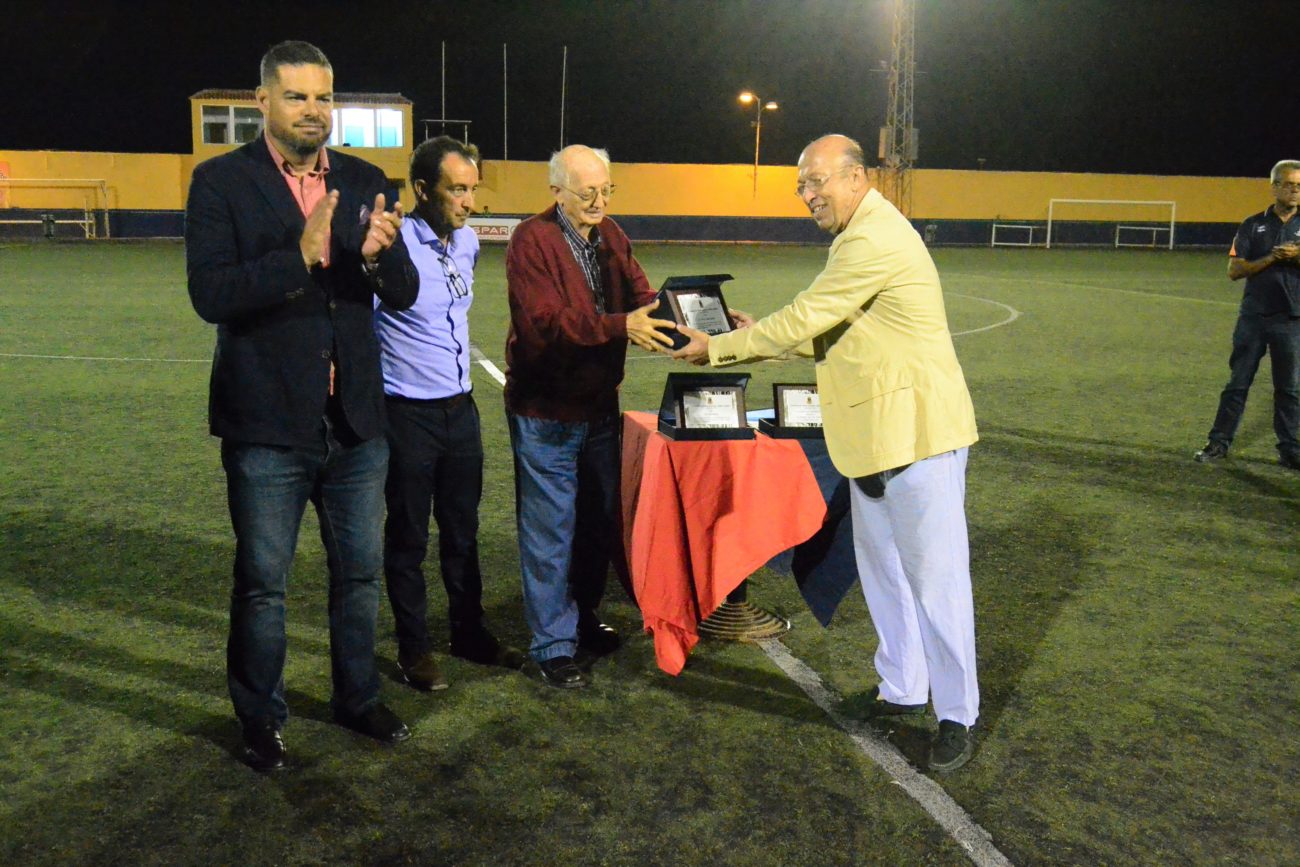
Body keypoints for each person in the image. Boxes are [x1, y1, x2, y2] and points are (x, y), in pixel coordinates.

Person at [672, 134, 982, 773]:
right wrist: (758, 335)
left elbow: (811, 313)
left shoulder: (874, 236)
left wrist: (719, 349)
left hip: (919, 438)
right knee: (886, 577)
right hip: (874, 439)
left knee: (937, 585)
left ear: (858, 177)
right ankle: (902, 689)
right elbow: (831, 329)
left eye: (817, 181)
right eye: (801, 185)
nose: (807, 194)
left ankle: (958, 715)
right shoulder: (858, 236)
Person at [186, 40, 419, 772]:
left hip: (356, 422)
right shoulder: (219, 182)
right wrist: (300, 256)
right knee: (264, 585)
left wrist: (377, 257)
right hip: (267, 425)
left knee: (360, 574)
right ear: (263, 102)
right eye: (296, 96)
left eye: (323, 97)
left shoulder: (364, 179)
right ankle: (261, 718)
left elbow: (404, 291)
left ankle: (358, 698)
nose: (313, 110)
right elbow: (210, 294)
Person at [503, 144, 676, 688]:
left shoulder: (612, 236)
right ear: (557, 192)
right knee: (550, 530)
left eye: (606, 190)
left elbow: (642, 295)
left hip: (600, 408)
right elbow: (546, 322)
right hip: (546, 411)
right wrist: (620, 326)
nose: (600, 201)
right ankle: (552, 644)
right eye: (588, 193)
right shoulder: (530, 240)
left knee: (596, 524)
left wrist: (698, 318)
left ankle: (580, 618)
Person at [373, 136, 525, 692]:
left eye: (472, 189)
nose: (468, 202)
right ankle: (414, 648)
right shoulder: (393, 246)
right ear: (422, 189)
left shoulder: (467, 243)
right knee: (409, 537)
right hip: (407, 414)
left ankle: (469, 632)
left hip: (460, 410)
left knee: (463, 530)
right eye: (456, 189)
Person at [1193, 160, 1300, 469]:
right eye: (1289, 184)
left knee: (1289, 389)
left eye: (1299, 186)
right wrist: (1272, 257)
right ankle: (1218, 443)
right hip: (1253, 318)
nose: (1295, 191)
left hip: (1291, 320)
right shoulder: (1252, 225)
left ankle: (1290, 449)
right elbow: (1235, 270)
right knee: (1237, 384)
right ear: (1274, 187)